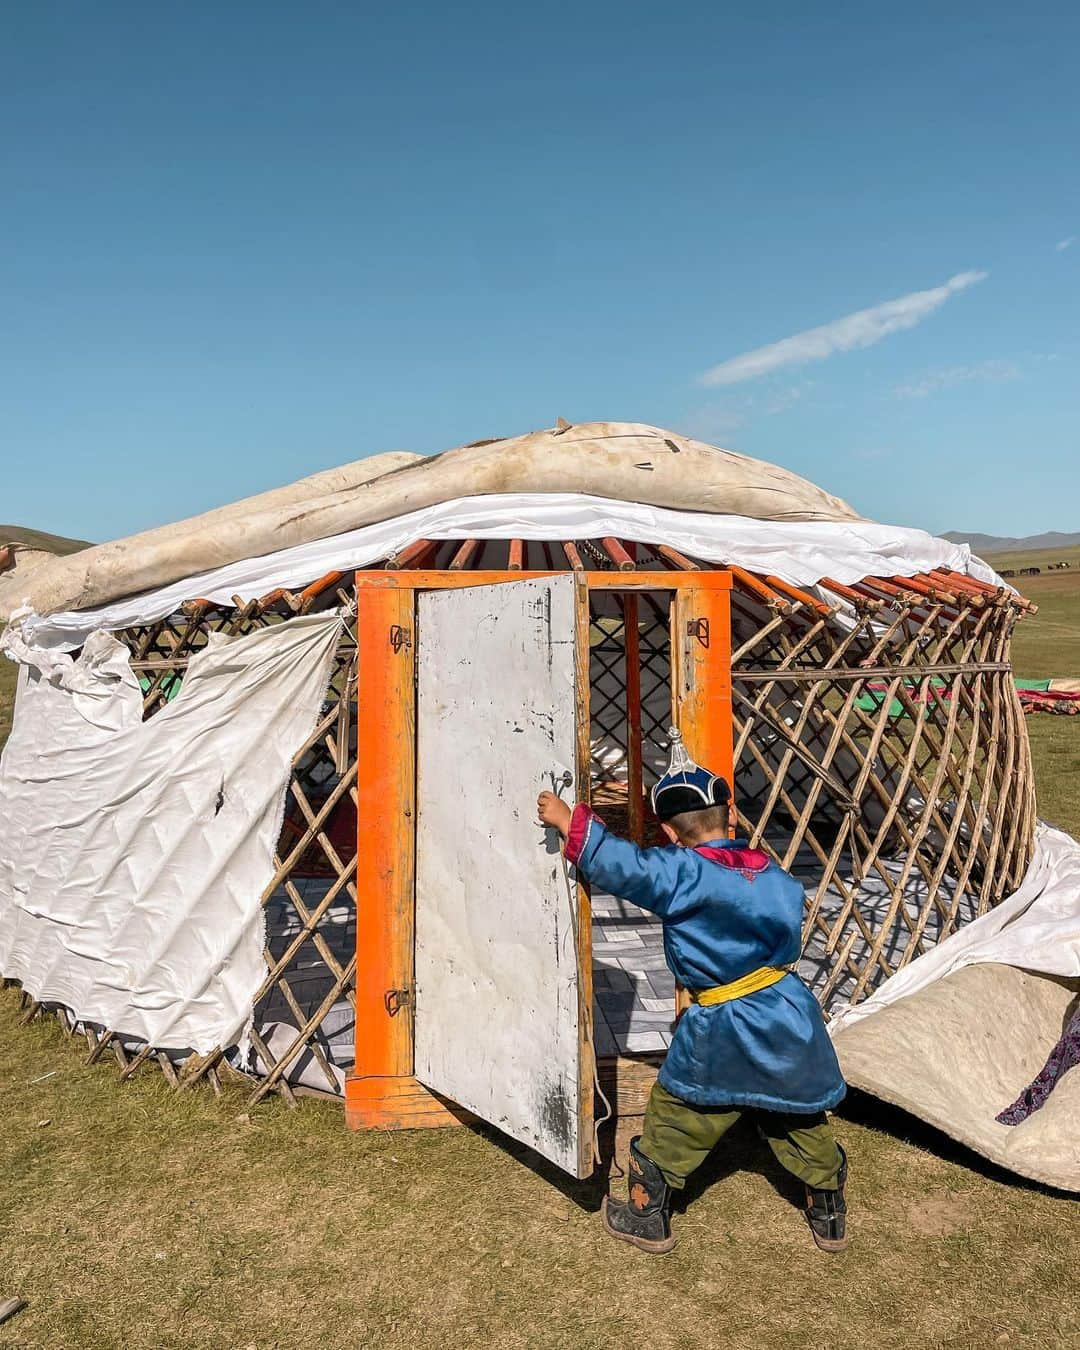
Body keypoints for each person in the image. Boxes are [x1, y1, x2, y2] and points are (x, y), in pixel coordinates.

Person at [536, 728, 849, 1255]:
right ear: (733, 818)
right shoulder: (774, 877)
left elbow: (625, 867)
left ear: (670, 833)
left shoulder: (682, 873)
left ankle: (645, 1214)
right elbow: (787, 922)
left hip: (724, 1024)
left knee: (680, 1113)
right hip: (787, 1012)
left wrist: (572, 823)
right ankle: (828, 1210)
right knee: (796, 1114)